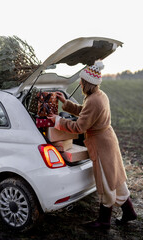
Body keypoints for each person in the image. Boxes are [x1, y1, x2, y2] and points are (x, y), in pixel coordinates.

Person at [48, 61, 137, 229]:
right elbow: (85, 112)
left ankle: (104, 221)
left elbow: (79, 126)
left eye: (82, 81)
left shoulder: (93, 101)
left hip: (101, 145)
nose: (80, 83)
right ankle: (129, 212)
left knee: (105, 181)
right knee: (115, 177)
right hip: (108, 140)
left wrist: (58, 121)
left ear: (87, 83)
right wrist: (66, 103)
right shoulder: (99, 95)